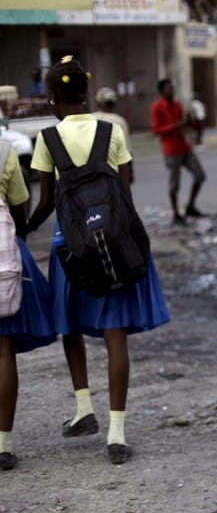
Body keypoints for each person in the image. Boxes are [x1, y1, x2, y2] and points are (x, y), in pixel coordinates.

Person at [27, 55, 171, 465]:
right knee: (115, 335)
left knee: (70, 326)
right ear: (86, 94)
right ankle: (116, 433)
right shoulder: (111, 131)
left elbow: (46, 202)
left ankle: (83, 409)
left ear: (51, 97)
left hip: (69, 248)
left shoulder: (48, 139)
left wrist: (22, 230)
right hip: (113, 243)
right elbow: (125, 194)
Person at [0, 131, 58, 470]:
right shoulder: (4, 149)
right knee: (3, 349)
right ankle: (3, 444)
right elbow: (19, 210)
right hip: (3, 259)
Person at [150, 77, 207, 226]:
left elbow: (184, 125)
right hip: (171, 150)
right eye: (168, 89)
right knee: (174, 184)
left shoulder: (177, 105)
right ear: (162, 92)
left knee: (200, 175)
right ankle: (176, 213)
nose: (172, 91)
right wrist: (175, 125)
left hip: (184, 147)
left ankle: (190, 206)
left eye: (172, 88)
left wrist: (189, 121)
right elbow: (156, 130)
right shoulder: (157, 107)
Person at [92, 87, 134, 184]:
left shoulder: (91, 118)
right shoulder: (119, 121)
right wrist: (130, 172)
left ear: (98, 103)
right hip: (115, 170)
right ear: (115, 104)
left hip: (94, 170)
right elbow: (127, 150)